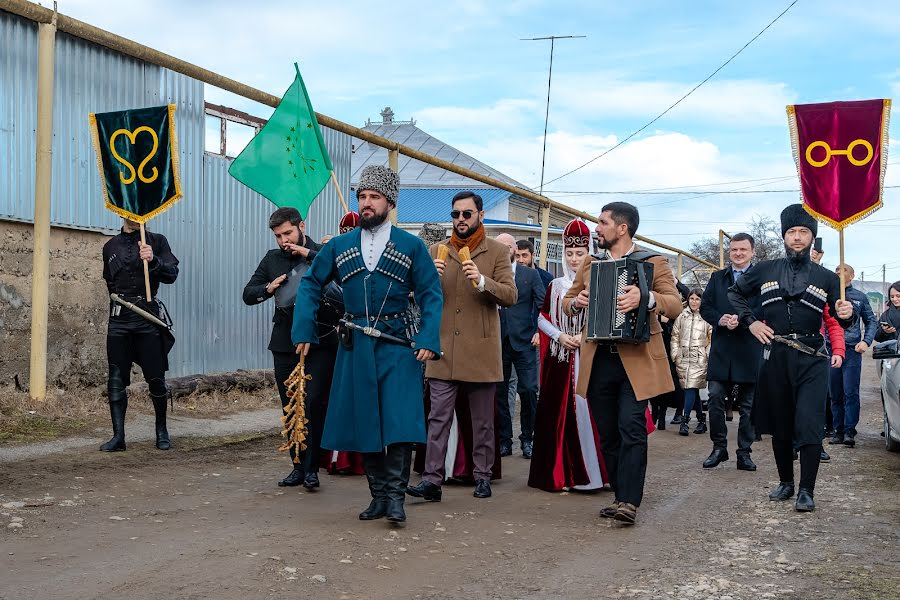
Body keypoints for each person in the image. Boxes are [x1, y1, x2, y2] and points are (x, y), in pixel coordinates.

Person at [292, 165, 443, 525]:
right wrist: (303, 331)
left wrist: (427, 337)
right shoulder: (340, 246)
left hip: (398, 344)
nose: (367, 203)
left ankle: (396, 498)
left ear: (389, 201)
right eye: (362, 196)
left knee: (400, 422)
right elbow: (311, 284)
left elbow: (430, 294)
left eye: (374, 197)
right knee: (366, 421)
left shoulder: (411, 245)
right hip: (355, 345)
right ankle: (378, 497)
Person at [728, 204, 853, 512]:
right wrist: (751, 322)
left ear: (812, 237)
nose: (797, 238)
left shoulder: (826, 277)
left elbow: (840, 316)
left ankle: (806, 490)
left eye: (804, 232)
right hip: (776, 355)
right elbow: (735, 293)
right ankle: (786, 482)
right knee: (781, 422)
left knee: (809, 423)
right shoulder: (765, 269)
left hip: (812, 357)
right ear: (784, 236)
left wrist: (847, 316)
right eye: (792, 232)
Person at [564, 202, 682, 525]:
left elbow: (675, 304)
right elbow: (567, 301)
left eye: (602, 223)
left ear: (622, 228)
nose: (596, 228)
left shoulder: (653, 262)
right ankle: (619, 494)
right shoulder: (591, 263)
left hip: (636, 360)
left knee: (631, 426)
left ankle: (629, 501)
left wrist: (645, 299)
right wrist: (577, 302)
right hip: (599, 358)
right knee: (607, 433)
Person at [407, 192, 517, 502]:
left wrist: (483, 282)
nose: (460, 220)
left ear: (480, 215)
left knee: (482, 421)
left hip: (480, 351)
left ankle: (482, 476)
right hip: (443, 348)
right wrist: (427, 281)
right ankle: (431, 480)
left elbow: (510, 295)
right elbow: (418, 297)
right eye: (456, 214)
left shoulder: (496, 252)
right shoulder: (436, 251)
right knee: (438, 418)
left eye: (467, 214)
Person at [242, 207, 338, 489]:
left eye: (288, 233)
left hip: (321, 340)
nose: (284, 240)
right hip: (284, 342)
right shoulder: (272, 259)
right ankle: (297, 466)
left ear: (301, 227)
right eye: (278, 235)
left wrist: (307, 254)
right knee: (290, 405)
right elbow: (248, 293)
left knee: (314, 404)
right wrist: (268, 288)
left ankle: (312, 470)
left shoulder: (321, 251)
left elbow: (342, 271)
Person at [528, 219, 607, 492]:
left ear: (589, 253)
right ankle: (563, 474)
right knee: (557, 417)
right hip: (560, 359)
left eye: (580, 253)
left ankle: (597, 475)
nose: (574, 259)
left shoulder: (600, 284)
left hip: (590, 358)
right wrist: (559, 336)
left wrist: (584, 339)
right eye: (570, 254)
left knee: (593, 415)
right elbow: (541, 317)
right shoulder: (555, 286)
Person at [100, 218, 179, 452]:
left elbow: (172, 274)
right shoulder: (110, 246)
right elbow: (109, 283)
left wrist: (153, 260)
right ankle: (118, 437)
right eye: (129, 213)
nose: (134, 217)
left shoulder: (157, 241)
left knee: (156, 378)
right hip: (119, 319)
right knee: (116, 379)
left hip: (147, 317)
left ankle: (162, 432)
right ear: (121, 212)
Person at [699, 233, 761, 471]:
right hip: (722, 348)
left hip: (750, 347)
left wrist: (745, 321)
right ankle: (719, 448)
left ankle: (744, 453)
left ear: (752, 251)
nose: (738, 253)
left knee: (748, 404)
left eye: (743, 250)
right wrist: (720, 320)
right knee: (714, 397)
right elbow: (706, 307)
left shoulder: (761, 279)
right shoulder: (717, 278)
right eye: (734, 249)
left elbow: (765, 307)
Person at [495, 234, 546, 458]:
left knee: (528, 390)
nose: (505, 250)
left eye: (508, 246)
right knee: (499, 392)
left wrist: (538, 331)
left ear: (515, 249)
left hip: (524, 342)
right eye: (500, 246)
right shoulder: (491, 274)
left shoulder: (530, 275)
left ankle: (527, 439)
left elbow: (542, 305)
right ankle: (504, 440)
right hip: (497, 343)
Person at [828, 263, 877, 448]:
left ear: (852, 275)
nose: (840, 275)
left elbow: (871, 321)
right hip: (832, 349)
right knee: (835, 393)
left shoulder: (859, 297)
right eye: (837, 272)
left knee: (850, 392)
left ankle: (849, 431)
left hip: (851, 350)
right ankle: (837, 430)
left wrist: (866, 341)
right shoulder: (829, 295)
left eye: (844, 272)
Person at [672, 289, 712, 437]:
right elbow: (675, 336)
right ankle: (701, 420)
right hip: (683, 358)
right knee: (691, 389)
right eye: (692, 299)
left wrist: (706, 356)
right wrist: (675, 355)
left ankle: (685, 421)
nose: (694, 302)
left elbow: (712, 339)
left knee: (690, 388)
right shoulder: (681, 317)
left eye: (697, 299)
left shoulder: (707, 317)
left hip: (699, 359)